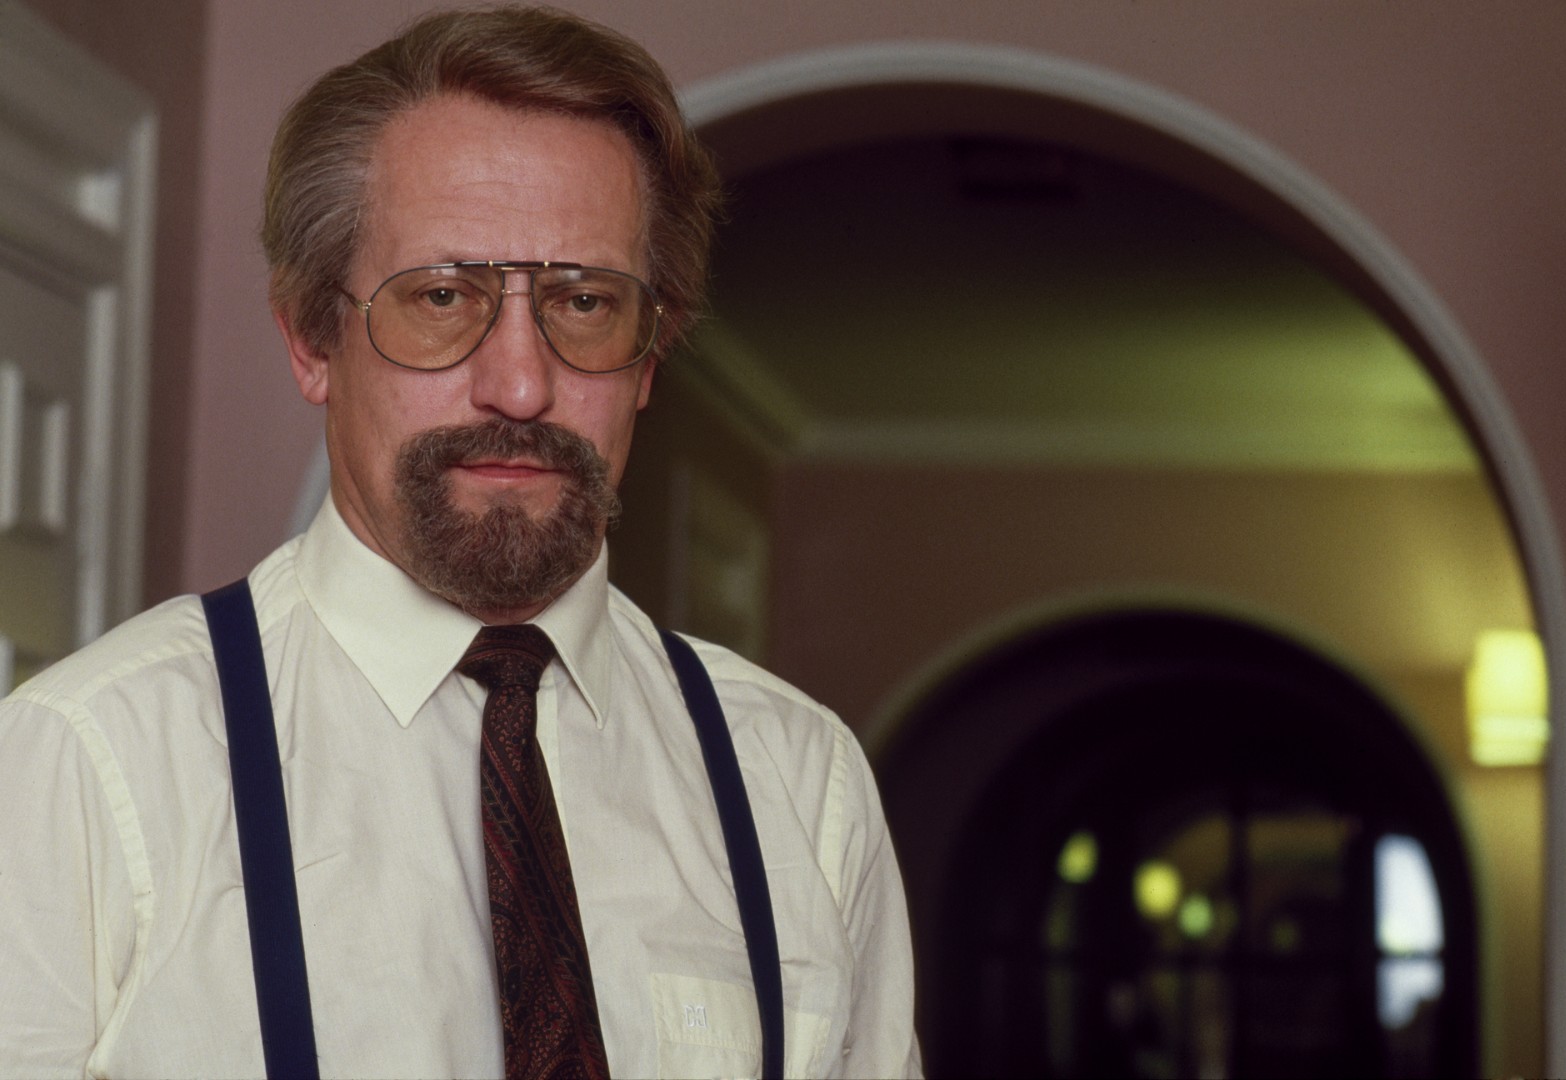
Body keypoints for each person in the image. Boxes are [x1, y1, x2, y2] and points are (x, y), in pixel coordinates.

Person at [0, 7, 920, 1078]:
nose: (520, 385)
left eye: (585, 301)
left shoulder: (797, 783)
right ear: (311, 339)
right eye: (441, 296)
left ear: (650, 355)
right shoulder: (91, 764)